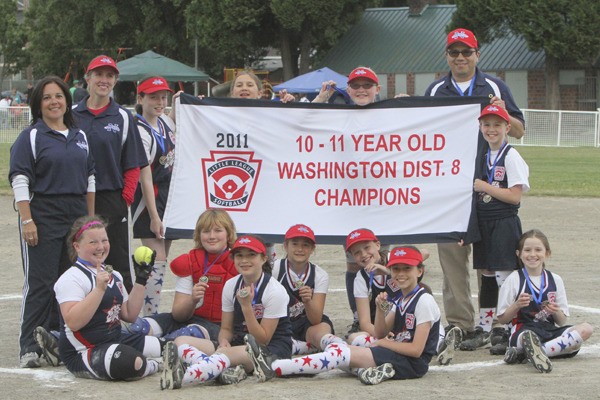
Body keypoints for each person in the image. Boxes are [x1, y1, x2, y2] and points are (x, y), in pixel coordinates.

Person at [424, 28, 526, 353]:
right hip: (450, 189)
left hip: (488, 189)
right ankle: (460, 325)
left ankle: (494, 324)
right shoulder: (436, 89)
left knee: (491, 260)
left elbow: (520, 130)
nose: (460, 58)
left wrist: (503, 110)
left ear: (477, 55)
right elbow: (420, 134)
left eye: (466, 52)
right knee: (452, 259)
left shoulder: (495, 86)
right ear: (447, 56)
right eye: (454, 52)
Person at [246, 246, 441, 385]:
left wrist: (383, 344)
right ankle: (372, 371)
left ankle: (276, 366)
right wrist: (381, 312)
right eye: (396, 269)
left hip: (411, 363)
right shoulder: (401, 298)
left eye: (407, 268)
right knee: (352, 347)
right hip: (398, 354)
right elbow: (380, 332)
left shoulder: (423, 300)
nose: (400, 274)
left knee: (340, 354)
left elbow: (416, 350)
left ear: (420, 271)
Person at [9, 76, 95, 368]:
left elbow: (90, 179)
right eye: (47, 97)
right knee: (41, 283)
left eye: (58, 96)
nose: (54, 102)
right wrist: (27, 220)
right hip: (43, 215)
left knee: (69, 282)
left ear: (67, 101)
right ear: (38, 104)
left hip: (75, 216)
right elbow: (20, 179)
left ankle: (61, 342)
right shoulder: (31, 136)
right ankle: (29, 346)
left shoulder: (80, 136)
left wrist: (90, 222)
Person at [313, 68, 390, 334]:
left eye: (367, 85)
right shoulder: (338, 115)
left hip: (383, 200)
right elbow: (304, 126)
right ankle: (359, 316)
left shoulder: (390, 115)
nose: (361, 90)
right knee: (354, 261)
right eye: (355, 85)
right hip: (347, 200)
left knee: (381, 258)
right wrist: (320, 100)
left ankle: (387, 314)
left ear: (377, 88)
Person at [160, 235, 292, 389]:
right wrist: (223, 341)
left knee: (226, 355)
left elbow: (262, 340)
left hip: (271, 349)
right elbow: (226, 329)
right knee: (181, 341)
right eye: (239, 255)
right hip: (239, 343)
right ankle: (224, 368)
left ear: (263, 259)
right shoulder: (231, 285)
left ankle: (184, 376)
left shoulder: (275, 291)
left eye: (251, 255)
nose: (244, 260)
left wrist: (247, 307)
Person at [49, 216, 165, 380]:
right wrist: (98, 290)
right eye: (93, 242)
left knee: (168, 345)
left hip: (115, 340)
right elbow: (73, 322)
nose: (100, 247)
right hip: (84, 351)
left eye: (104, 240)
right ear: (77, 246)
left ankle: (195, 363)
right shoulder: (71, 278)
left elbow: (129, 315)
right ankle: (157, 365)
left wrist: (141, 280)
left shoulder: (114, 274)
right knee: (131, 361)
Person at [72, 55, 148, 292]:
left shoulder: (123, 117)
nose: (104, 80)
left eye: (109, 76)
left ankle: (122, 315)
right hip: (77, 195)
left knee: (116, 255)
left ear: (115, 81)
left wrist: (125, 197)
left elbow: (133, 163)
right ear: (88, 78)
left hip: (110, 197)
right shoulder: (72, 114)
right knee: (78, 252)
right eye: (99, 74)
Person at [467, 105, 530, 351]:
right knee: (487, 275)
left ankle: (505, 328)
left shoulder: (511, 156)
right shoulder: (483, 156)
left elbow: (515, 197)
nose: (491, 130)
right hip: (484, 223)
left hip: (503, 222)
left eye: (497, 125)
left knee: (505, 277)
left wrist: (485, 186)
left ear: (506, 127)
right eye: (486, 125)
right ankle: (484, 328)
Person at [128, 208, 238, 341]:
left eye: (218, 230)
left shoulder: (239, 262)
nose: (212, 236)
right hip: (190, 319)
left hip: (222, 328)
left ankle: (161, 346)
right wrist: (192, 300)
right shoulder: (190, 261)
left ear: (229, 233)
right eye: (206, 231)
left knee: (188, 334)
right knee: (139, 327)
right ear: (198, 234)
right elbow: (178, 315)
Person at [497, 229, 594, 373]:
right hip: (523, 330)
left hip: (549, 330)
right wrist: (517, 305)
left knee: (586, 329)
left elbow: (561, 321)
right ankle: (540, 350)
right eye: (527, 250)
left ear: (547, 253)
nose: (532, 255)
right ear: (519, 254)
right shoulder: (514, 279)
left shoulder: (555, 279)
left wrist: (555, 311)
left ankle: (532, 353)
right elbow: (503, 319)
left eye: (538, 250)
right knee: (528, 337)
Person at [131, 76, 178, 316]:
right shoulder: (140, 131)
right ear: (140, 99)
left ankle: (151, 314)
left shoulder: (163, 123)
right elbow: (145, 177)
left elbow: (172, 119)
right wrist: (153, 215)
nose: (160, 102)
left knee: (161, 259)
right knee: (155, 260)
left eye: (163, 96)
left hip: (166, 198)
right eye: (153, 97)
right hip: (148, 201)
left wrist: (182, 103)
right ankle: (148, 318)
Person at [272, 224, 340, 355]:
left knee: (322, 328)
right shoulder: (274, 269)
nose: (300, 249)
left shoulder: (320, 274)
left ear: (312, 249)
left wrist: (308, 301)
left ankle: (340, 348)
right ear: (285, 246)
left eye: (305, 245)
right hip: (278, 322)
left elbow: (315, 319)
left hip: (306, 323)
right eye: (295, 244)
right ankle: (305, 347)